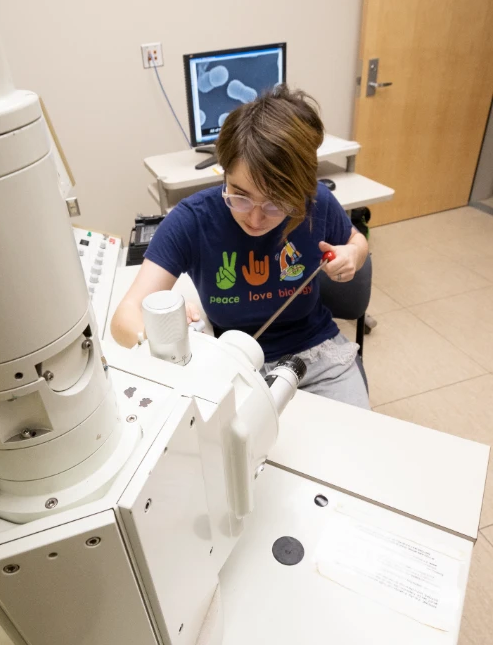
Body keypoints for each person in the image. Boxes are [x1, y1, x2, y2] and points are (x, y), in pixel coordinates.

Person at [111, 85, 370, 409]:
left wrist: (354, 254)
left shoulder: (316, 204)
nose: (256, 218)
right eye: (240, 195)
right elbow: (124, 317)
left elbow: (355, 240)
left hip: (318, 356)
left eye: (277, 203)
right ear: (225, 172)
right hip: (234, 363)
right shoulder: (192, 220)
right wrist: (166, 336)